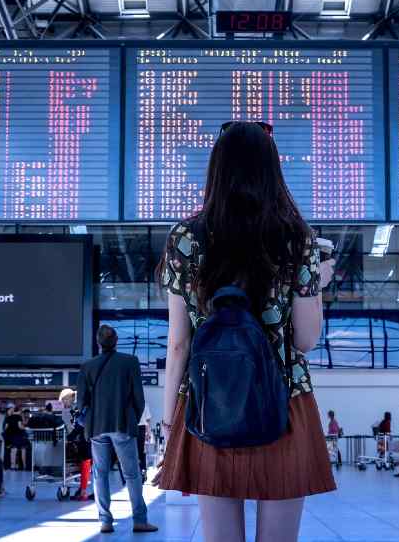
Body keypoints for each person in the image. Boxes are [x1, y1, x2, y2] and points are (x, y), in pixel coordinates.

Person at [154, 121, 337, 542]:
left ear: (216, 170)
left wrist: (169, 422)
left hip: (209, 402)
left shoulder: (186, 237)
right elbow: (306, 340)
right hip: (284, 402)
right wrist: (315, 286)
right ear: (272, 170)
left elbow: (179, 342)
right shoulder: (297, 238)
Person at [77, 325, 157, 534]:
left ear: (97, 342)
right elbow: (139, 398)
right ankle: (140, 520)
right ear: (116, 341)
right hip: (122, 424)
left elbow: (80, 402)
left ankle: (105, 521)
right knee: (131, 474)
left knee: (100, 474)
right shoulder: (129, 362)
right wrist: (132, 419)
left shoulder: (87, 366)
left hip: (96, 427)